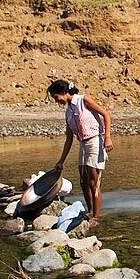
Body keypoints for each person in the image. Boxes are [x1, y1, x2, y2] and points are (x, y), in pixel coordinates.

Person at [47, 80, 114, 227]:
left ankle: (96, 216)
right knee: (83, 181)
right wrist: (61, 161)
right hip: (83, 144)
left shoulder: (84, 100)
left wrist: (107, 138)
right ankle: (90, 211)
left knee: (93, 182)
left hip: (95, 141)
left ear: (63, 93)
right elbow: (69, 139)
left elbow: (106, 115)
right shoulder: (68, 111)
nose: (56, 101)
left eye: (56, 97)